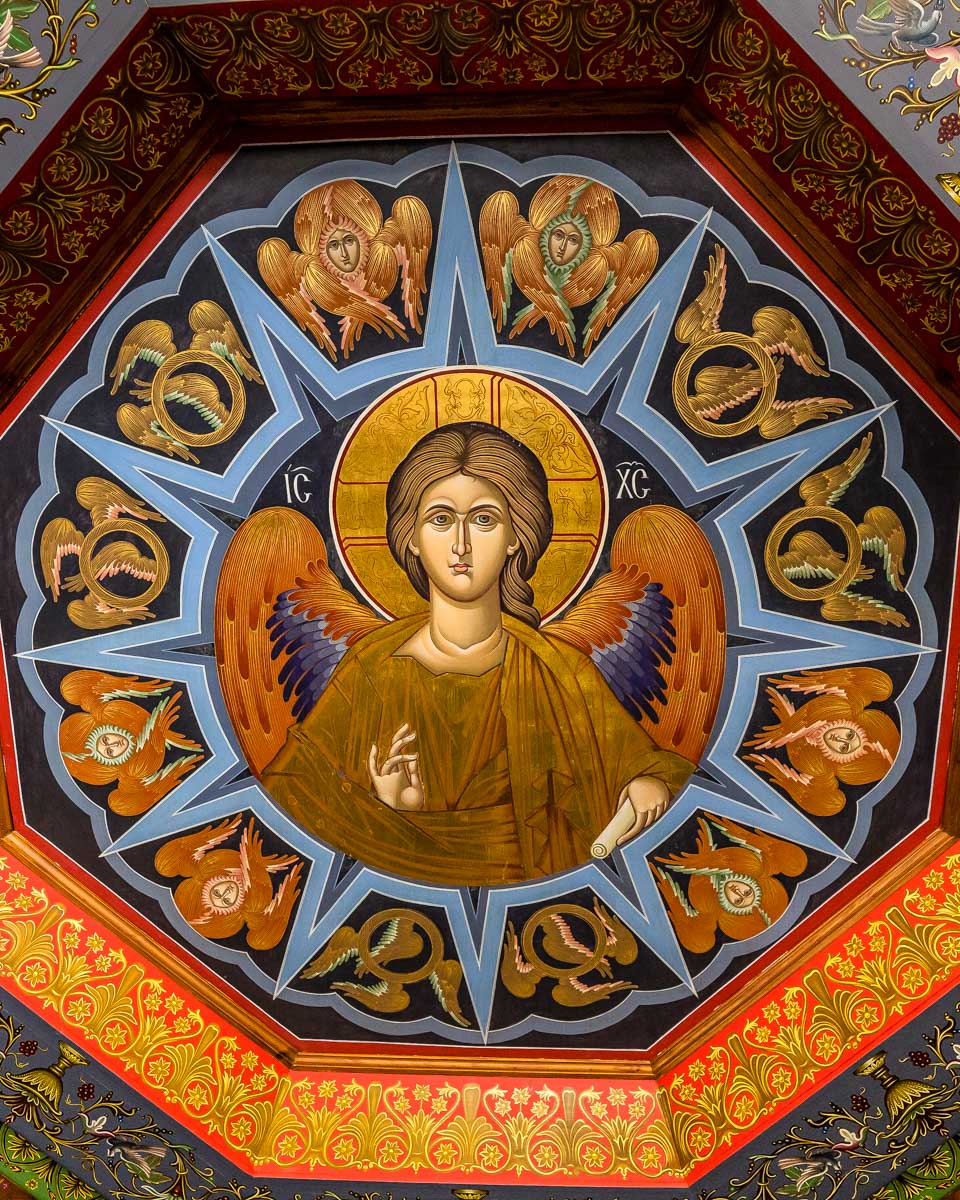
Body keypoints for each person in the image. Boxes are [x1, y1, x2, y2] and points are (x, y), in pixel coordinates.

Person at [261, 423, 693, 886]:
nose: (461, 544)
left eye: (484, 519)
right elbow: (292, 798)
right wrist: (391, 814)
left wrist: (647, 784)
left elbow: (639, 765)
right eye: (441, 519)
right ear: (410, 536)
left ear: (515, 535)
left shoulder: (558, 670)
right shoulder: (373, 668)